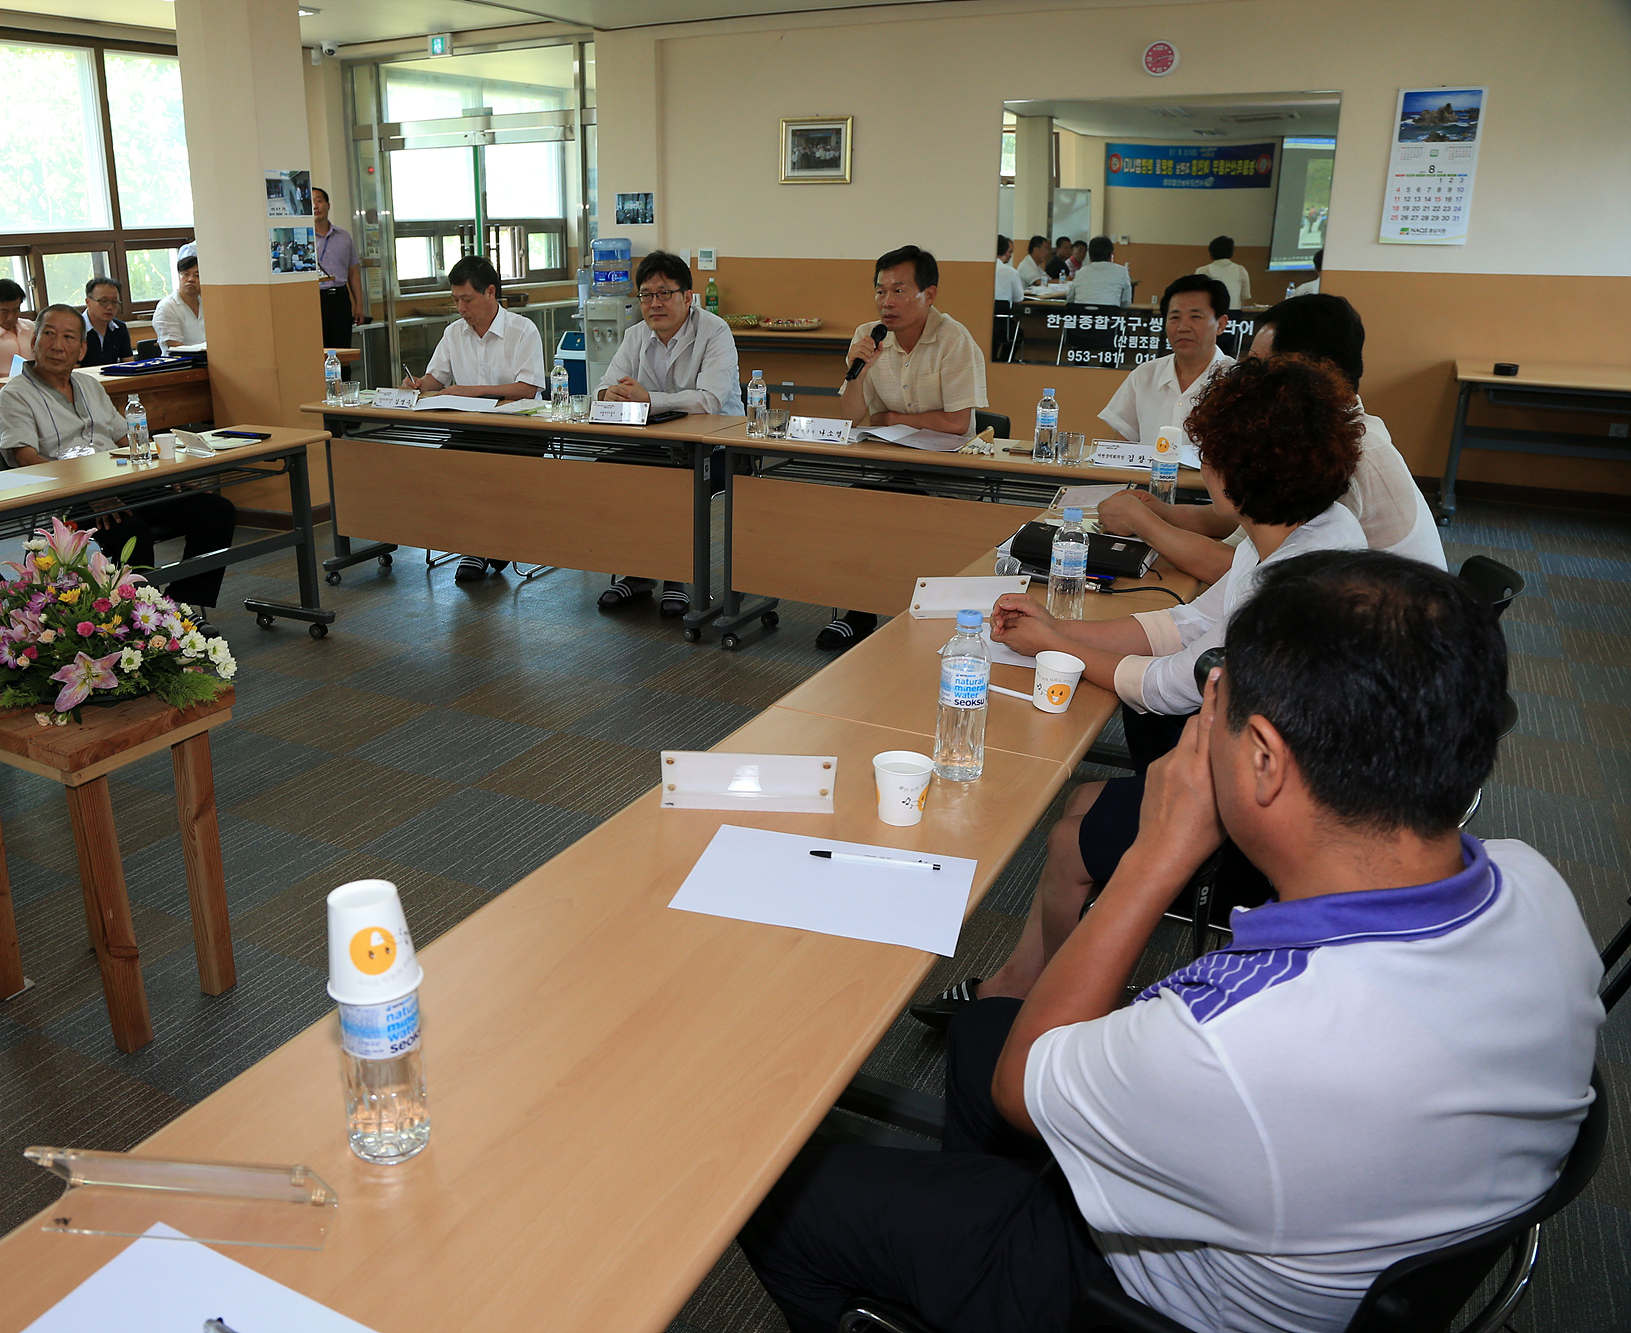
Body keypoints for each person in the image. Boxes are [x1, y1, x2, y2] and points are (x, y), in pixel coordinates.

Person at [741, 546, 1602, 1333]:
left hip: (1128, 1302)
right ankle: (973, 1220)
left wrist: (1157, 855)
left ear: (1263, 758)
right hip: (1350, 1224)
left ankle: (977, 1263)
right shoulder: (1539, 887)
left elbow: (1021, 1085)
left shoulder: (1233, 1045)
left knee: (773, 1202)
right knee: (979, 1033)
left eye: (1216, 705)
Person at [915, 354, 1370, 1026]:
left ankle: (1049, 1011)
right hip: (1282, 768)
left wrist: (1061, 647)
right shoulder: (1296, 530)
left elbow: (1175, 685)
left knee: (1073, 838)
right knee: (1078, 806)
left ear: (1231, 471)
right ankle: (1024, 980)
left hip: (1282, 808)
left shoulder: (1297, 577)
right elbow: (1190, 622)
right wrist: (1059, 632)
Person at [1098, 294, 1445, 582]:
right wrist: (1165, 514)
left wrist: (1144, 524)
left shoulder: (1346, 455)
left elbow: (1238, 570)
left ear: (1303, 374)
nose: (1246, 379)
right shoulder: (1334, 427)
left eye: (1260, 367)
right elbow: (1249, 522)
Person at [0, 304, 236, 623]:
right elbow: (26, 460)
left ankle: (179, 612)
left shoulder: (90, 386)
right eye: (49, 334)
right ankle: (132, 622)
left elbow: (126, 439)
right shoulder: (14, 395)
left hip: (123, 483)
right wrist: (88, 492)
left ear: (81, 349)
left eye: (68, 337)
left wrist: (169, 470)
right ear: (34, 339)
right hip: (68, 496)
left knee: (215, 511)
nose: (57, 344)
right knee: (131, 533)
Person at [820, 245, 988, 650]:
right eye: (880, 291)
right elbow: (852, 417)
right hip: (889, 461)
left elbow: (957, 424)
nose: (886, 302)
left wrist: (893, 419)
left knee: (897, 504)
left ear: (928, 295)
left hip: (948, 468)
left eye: (898, 290)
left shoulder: (954, 340)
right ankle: (858, 610)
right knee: (859, 503)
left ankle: (914, 610)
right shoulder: (867, 336)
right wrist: (859, 375)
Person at [593, 250, 742, 617]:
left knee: (673, 480)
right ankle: (639, 572)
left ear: (687, 297)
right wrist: (608, 394)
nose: (654, 303)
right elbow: (603, 388)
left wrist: (648, 400)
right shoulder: (635, 336)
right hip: (659, 445)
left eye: (664, 293)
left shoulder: (714, 331)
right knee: (606, 469)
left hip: (720, 448)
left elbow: (709, 402)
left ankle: (678, 578)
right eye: (646, 295)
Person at [402, 255, 545, 584]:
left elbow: (527, 388)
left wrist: (470, 392)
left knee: (493, 473)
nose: (461, 308)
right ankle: (476, 545)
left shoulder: (522, 330)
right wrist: (419, 385)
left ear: (491, 292)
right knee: (445, 469)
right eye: (455, 300)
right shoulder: (454, 333)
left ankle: (493, 542)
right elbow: (435, 380)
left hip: (521, 429)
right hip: (472, 428)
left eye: (466, 299)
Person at [1096, 273, 1233, 447]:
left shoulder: (1237, 381)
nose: (1183, 327)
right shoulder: (1144, 375)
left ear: (1221, 324)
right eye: (1175, 318)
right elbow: (1122, 447)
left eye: (1195, 317)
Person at [314, 186, 363, 349]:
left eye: (319, 201)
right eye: (310, 202)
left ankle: (345, 376)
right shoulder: (303, 239)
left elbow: (354, 272)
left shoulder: (344, 236)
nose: (315, 206)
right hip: (314, 298)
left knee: (342, 348)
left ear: (328, 205)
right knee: (318, 349)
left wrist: (359, 305)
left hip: (340, 298)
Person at [1062, 236, 1133, 308]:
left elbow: (1070, 299)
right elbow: (1126, 302)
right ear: (1111, 255)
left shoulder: (1080, 272)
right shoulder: (1122, 271)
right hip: (1109, 316)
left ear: (1089, 255)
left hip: (1083, 315)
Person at [153, 253, 205, 351]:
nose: (191, 279)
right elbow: (175, 346)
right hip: (179, 363)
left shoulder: (207, 304)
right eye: (186, 274)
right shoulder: (166, 307)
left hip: (208, 361)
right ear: (179, 276)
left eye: (197, 275)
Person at [77, 277, 133, 367]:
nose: (110, 307)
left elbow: (129, 364)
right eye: (103, 301)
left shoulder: (120, 328)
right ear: (88, 302)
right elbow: (72, 373)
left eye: (114, 302)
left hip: (112, 379)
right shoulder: (75, 329)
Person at [1196, 234, 1253, 310]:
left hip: (1211, 313)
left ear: (1211, 254)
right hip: (1234, 313)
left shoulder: (1202, 271)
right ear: (1232, 254)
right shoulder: (1241, 270)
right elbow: (1245, 296)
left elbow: (1197, 296)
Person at [993, 235, 1026, 308]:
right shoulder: (1011, 272)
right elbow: (1018, 299)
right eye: (1010, 252)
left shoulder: (981, 270)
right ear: (1005, 251)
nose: (1011, 256)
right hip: (1004, 316)